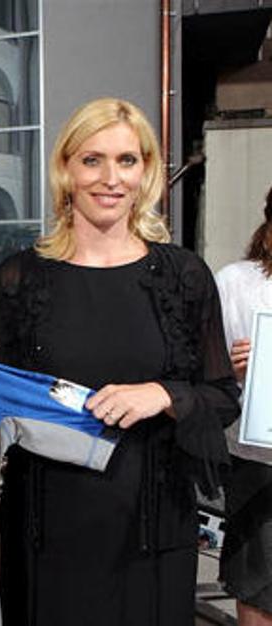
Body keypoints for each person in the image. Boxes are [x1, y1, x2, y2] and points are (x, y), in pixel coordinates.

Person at [0, 97, 240, 626]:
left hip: (151, 533)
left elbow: (221, 398)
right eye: (92, 159)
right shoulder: (18, 278)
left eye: (127, 160)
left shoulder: (185, 277)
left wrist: (164, 394)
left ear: (146, 171)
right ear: (66, 169)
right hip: (47, 534)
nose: (110, 178)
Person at [215, 185, 272, 626]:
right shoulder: (235, 282)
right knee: (257, 584)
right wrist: (230, 370)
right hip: (255, 459)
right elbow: (200, 370)